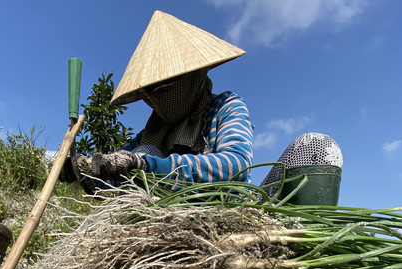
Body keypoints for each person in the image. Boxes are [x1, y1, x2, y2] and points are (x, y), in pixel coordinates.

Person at [61, 10, 342, 201]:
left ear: (193, 77)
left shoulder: (224, 107)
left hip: (228, 213)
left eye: (166, 87)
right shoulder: (151, 133)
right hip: (163, 226)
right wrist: (85, 169)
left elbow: (234, 165)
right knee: (142, 152)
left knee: (315, 147)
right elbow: (118, 170)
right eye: (151, 92)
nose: (158, 99)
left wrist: (151, 166)